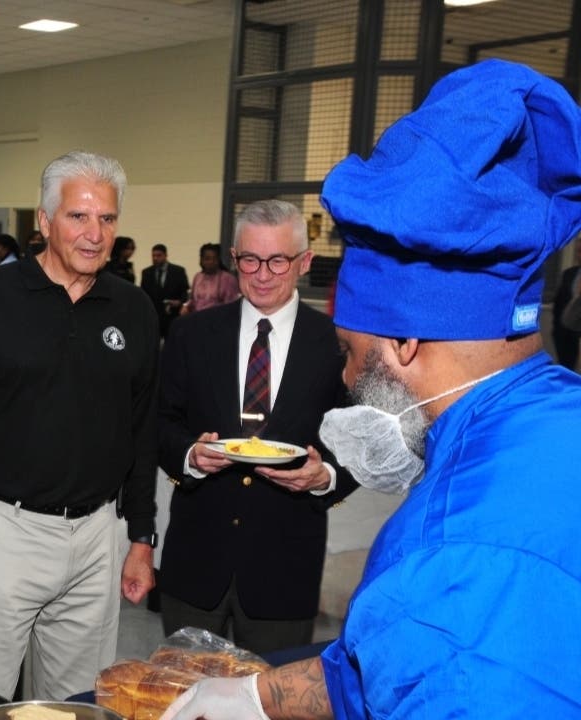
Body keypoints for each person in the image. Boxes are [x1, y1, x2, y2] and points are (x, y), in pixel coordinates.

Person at [163, 60, 581, 720]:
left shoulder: (449, 550)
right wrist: (256, 694)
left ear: (406, 341)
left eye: (352, 355)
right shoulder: (557, 415)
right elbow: (388, 660)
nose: (345, 378)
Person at [0, 150, 160, 702]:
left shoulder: (134, 309)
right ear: (44, 221)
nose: (95, 234)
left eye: (108, 219)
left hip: (96, 536)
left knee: (75, 706)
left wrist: (140, 536)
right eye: (78, 217)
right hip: (3, 531)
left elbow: (142, 432)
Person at [157, 200, 356, 656]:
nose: (262, 274)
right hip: (195, 566)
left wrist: (324, 476)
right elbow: (161, 422)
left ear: (304, 262)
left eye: (278, 260)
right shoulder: (192, 335)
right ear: (233, 257)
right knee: (181, 698)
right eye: (250, 259)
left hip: (283, 572)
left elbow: (361, 438)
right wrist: (190, 455)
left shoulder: (337, 344)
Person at [140, 244, 190, 339]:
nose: (155, 258)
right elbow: (143, 294)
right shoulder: (146, 272)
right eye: (153, 256)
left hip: (172, 315)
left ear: (165, 255)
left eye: (158, 255)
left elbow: (185, 292)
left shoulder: (178, 271)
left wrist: (179, 302)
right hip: (153, 315)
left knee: (172, 343)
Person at [183, 242, 239, 313]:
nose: (211, 262)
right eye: (207, 259)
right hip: (197, 318)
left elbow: (231, 306)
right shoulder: (198, 277)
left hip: (217, 320)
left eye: (214, 258)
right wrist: (185, 306)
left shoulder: (228, 279)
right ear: (201, 260)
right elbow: (192, 300)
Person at [552, 239, 581, 370]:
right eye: (577, 251)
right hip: (563, 337)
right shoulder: (568, 274)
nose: (579, 255)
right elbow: (557, 304)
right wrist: (555, 331)